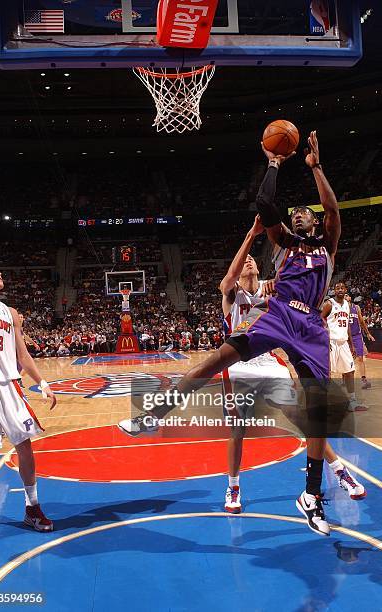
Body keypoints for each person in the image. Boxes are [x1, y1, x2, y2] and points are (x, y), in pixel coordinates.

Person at [119, 131, 342, 537]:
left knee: (317, 411)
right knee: (216, 359)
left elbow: (330, 207)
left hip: (310, 326)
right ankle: (156, 413)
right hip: (278, 314)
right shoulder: (283, 245)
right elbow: (264, 204)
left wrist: (316, 168)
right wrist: (274, 163)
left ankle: (311, 494)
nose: (297, 216)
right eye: (293, 215)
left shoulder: (328, 243)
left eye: (303, 214)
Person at [220, 219, 365, 513]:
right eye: (243, 261)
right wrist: (251, 235)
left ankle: (340, 471)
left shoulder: (272, 291)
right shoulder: (231, 294)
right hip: (238, 368)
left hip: (269, 365)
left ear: (260, 269)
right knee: (237, 431)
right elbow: (228, 278)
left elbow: (305, 297)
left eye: (251, 260)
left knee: (303, 421)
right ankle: (233, 487)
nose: (247, 262)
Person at [0, 260, 56, 531]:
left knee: (24, 445)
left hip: (8, 385)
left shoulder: (10, 312)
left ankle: (32, 508)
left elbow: (22, 354)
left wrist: (43, 382)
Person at [322, 282, 367, 411]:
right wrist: (326, 332)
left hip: (344, 343)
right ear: (334, 291)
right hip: (331, 342)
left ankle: (352, 401)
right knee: (327, 372)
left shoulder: (347, 305)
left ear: (346, 290)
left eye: (342, 288)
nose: (340, 290)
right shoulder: (329, 304)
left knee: (350, 371)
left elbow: (347, 325)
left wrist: (351, 344)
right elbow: (320, 319)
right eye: (337, 288)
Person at [345, 293, 375, 389]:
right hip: (345, 337)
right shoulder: (340, 308)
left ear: (350, 298)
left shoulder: (356, 307)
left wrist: (368, 333)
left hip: (356, 336)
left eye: (347, 295)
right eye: (345, 295)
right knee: (347, 360)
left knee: (360, 358)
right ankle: (345, 379)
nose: (346, 296)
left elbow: (361, 322)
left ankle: (364, 380)